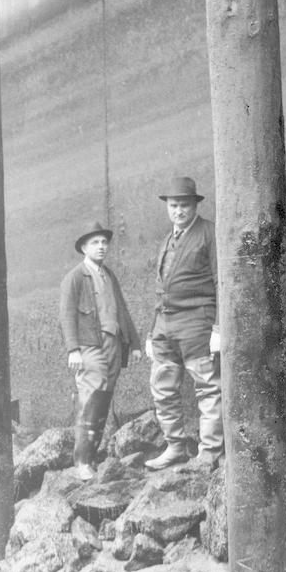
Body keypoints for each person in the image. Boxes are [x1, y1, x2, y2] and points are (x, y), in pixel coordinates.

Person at [143, 176, 223, 470]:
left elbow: (221, 281)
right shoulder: (167, 240)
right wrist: (152, 333)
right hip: (165, 327)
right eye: (174, 205)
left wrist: (218, 328)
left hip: (196, 326)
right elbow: (159, 288)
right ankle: (175, 446)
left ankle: (210, 453)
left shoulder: (208, 233)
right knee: (162, 389)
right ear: (167, 207)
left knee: (207, 389)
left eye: (184, 205)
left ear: (195, 205)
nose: (179, 211)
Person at [58, 221, 142, 480]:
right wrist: (73, 349)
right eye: (95, 242)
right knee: (90, 397)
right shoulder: (75, 277)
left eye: (104, 242)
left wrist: (135, 344)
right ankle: (82, 460)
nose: (101, 246)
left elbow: (122, 310)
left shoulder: (109, 275)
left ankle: (92, 457)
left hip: (113, 343)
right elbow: (66, 314)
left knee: (104, 398)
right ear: (84, 247)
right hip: (89, 344)